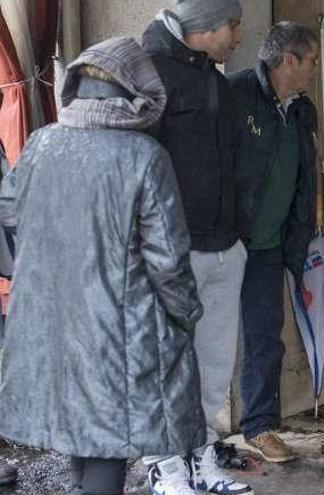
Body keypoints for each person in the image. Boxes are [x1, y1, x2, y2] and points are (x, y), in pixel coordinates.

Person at [0, 37, 204, 495]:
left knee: (81, 434)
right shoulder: (143, 157)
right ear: (137, 90)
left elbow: (9, 211)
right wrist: (187, 314)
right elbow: (167, 260)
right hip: (117, 331)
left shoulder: (42, 143)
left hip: (53, 323)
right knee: (106, 449)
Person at [141, 1, 253, 494]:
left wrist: (240, 232)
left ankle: (203, 458)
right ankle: (163, 465)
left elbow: (234, 162)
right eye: (234, 25)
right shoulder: (148, 75)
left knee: (213, 365)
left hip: (226, 246)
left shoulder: (215, 80)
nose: (238, 36)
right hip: (173, 251)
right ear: (206, 26)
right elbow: (135, 169)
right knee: (168, 364)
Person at [228, 21, 319, 463]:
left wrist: (296, 247)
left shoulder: (301, 111)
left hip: (267, 247)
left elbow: (304, 186)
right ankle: (195, 439)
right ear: (288, 61)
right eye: (313, 61)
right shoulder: (235, 94)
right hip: (225, 244)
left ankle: (260, 427)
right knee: (208, 338)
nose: (316, 70)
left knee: (266, 338)